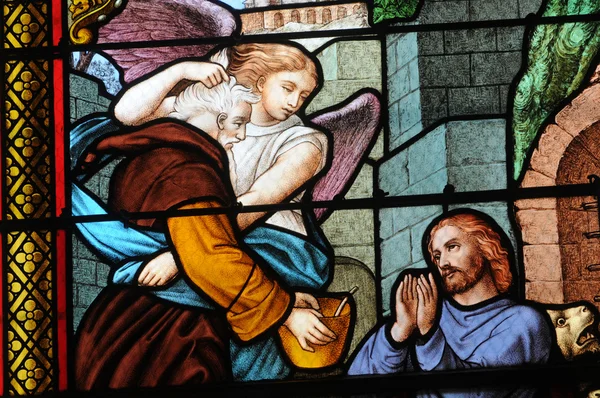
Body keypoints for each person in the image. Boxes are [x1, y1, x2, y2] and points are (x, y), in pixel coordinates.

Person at [72, 42, 336, 383]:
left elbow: (256, 202)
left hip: (263, 247)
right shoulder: (202, 125)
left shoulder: (305, 140)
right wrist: (181, 70)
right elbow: (125, 115)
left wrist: (181, 254)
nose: (295, 102)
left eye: (304, 96)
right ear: (258, 83)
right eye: (288, 88)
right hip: (209, 257)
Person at [348, 211, 553, 397]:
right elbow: (357, 387)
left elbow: (471, 393)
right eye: (437, 256)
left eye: (452, 247)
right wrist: (399, 334)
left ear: (486, 247)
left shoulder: (524, 322)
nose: (443, 263)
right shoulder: (426, 313)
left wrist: (429, 334)